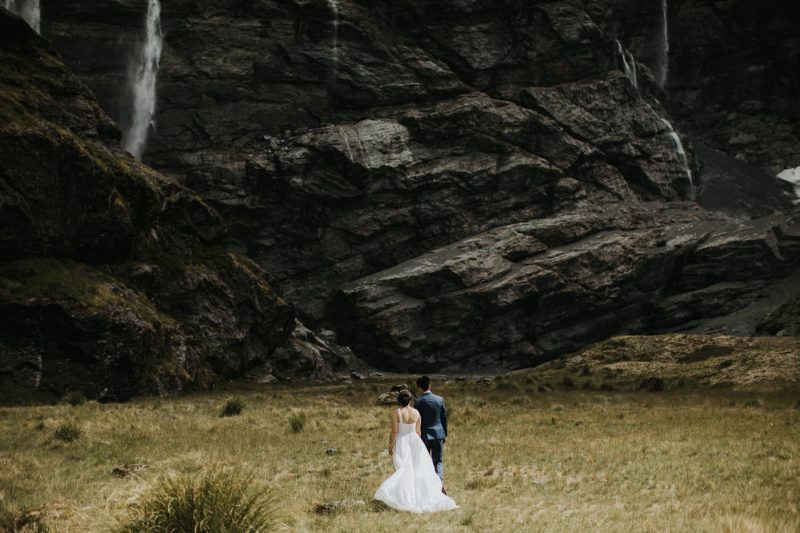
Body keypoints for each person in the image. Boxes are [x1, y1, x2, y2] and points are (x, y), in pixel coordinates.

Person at [374, 389, 457, 513]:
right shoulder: (416, 412)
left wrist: (390, 445)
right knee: (417, 469)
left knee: (403, 469)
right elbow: (418, 431)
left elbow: (395, 431)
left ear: (398, 400)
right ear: (410, 400)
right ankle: (419, 496)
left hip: (403, 441)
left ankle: (404, 497)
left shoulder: (396, 412)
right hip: (415, 441)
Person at [414, 375, 448, 482]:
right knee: (438, 461)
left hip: (424, 435)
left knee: (424, 461)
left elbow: (416, 420)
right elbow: (444, 419)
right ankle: (439, 484)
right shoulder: (439, 399)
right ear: (430, 386)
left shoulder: (418, 401)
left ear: (419, 388)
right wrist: (445, 434)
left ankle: (426, 484)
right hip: (438, 434)